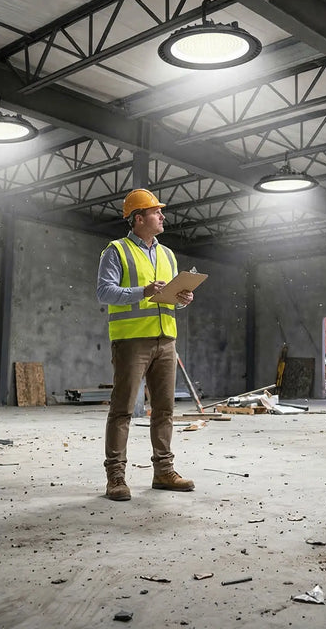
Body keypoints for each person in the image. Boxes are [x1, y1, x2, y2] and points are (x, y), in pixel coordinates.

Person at [96, 188, 195, 501]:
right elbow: (104, 292)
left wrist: (183, 298)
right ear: (139, 219)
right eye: (156, 212)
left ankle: (164, 472)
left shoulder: (168, 254)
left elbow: (168, 298)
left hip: (166, 340)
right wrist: (143, 291)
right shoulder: (116, 250)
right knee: (122, 410)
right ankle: (116, 477)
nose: (162, 216)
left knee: (164, 409)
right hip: (131, 341)